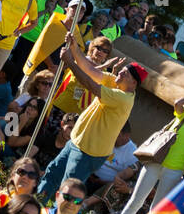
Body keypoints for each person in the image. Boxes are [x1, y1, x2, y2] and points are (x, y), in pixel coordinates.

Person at [38, 35, 142, 196]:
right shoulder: (116, 82)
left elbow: (90, 84)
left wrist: (71, 62)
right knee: (52, 172)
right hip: (77, 141)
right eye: (120, 72)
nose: (118, 75)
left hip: (89, 152)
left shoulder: (123, 98)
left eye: (124, 74)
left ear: (133, 83)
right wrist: (73, 46)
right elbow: (90, 70)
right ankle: (35, 208)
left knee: (69, 191)